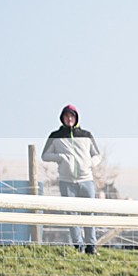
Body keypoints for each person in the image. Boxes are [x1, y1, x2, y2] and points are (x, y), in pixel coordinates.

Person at [42, 104, 102, 254]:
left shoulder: (86, 135)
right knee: (71, 214)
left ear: (76, 118)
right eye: (66, 116)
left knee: (89, 213)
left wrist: (90, 163)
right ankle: (78, 246)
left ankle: (91, 246)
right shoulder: (55, 136)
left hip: (86, 180)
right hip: (66, 181)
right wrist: (60, 157)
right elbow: (44, 155)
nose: (69, 119)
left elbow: (97, 155)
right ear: (62, 118)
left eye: (72, 116)